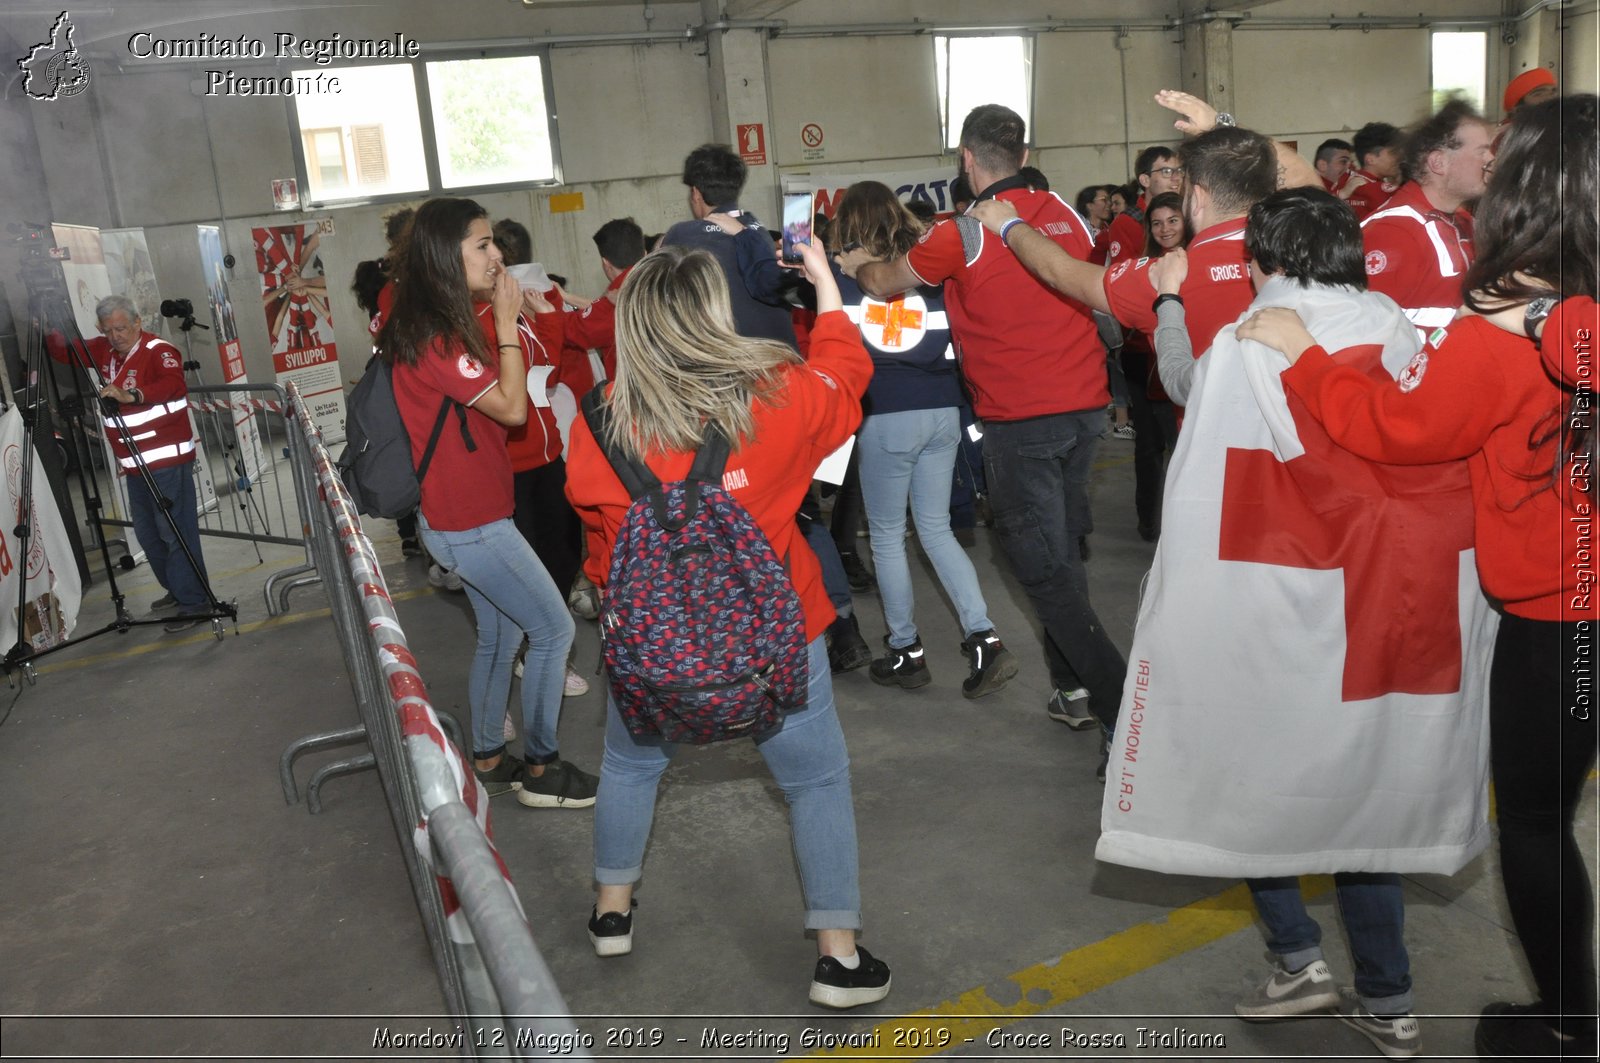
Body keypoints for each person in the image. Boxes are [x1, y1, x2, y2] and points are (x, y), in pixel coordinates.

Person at [1236, 94, 1599, 1061]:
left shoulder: (1511, 329)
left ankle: (1567, 1021)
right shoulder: (1565, 312)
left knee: (1532, 819)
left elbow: (1397, 431)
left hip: (1564, 615)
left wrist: (1306, 355)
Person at [564, 239, 892, 1009]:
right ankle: (837, 959)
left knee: (630, 766)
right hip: (779, 638)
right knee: (814, 780)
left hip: (651, 650)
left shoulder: (599, 424)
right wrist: (825, 294)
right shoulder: (776, 393)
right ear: (715, 312)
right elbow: (848, 381)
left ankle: (612, 914)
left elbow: (603, 554)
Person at [843, 103, 1125, 778]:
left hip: (1022, 418)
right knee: (1061, 557)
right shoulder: (1063, 211)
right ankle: (1074, 688)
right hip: (1085, 410)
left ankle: (1123, 712)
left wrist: (853, 264)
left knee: (1041, 573)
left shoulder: (964, 231)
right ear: (1023, 152)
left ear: (967, 160)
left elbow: (885, 283)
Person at [378, 197, 597, 809]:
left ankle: (489, 757)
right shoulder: (435, 334)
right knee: (553, 632)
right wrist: (504, 326)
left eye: (494, 243)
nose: (497, 257)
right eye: (482, 245)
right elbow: (512, 409)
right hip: (470, 522)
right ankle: (542, 769)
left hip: (469, 515)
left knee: (500, 640)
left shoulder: (439, 323)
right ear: (447, 254)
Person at [829, 180, 1018, 697]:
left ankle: (906, 649)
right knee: (936, 530)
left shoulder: (842, 278)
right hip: (941, 411)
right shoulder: (925, 270)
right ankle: (984, 637)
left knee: (889, 536)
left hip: (886, 415)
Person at [83, 296, 211, 633]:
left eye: (122, 328)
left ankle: (195, 601)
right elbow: (61, 349)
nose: (115, 336)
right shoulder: (105, 352)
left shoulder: (159, 350)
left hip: (167, 459)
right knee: (148, 533)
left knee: (174, 531)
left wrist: (134, 395)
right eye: (108, 330)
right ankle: (176, 588)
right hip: (135, 465)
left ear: (138, 322)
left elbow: (174, 385)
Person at [1360, 100, 1490, 340]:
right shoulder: (1393, 232)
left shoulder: (1463, 221)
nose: (1491, 160)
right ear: (1438, 162)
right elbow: (1371, 335)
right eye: (1481, 151)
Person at [1345, 121, 1404, 220]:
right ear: (1370, 159)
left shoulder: (1347, 181)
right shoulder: (1374, 189)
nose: (1399, 158)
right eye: (1394, 153)